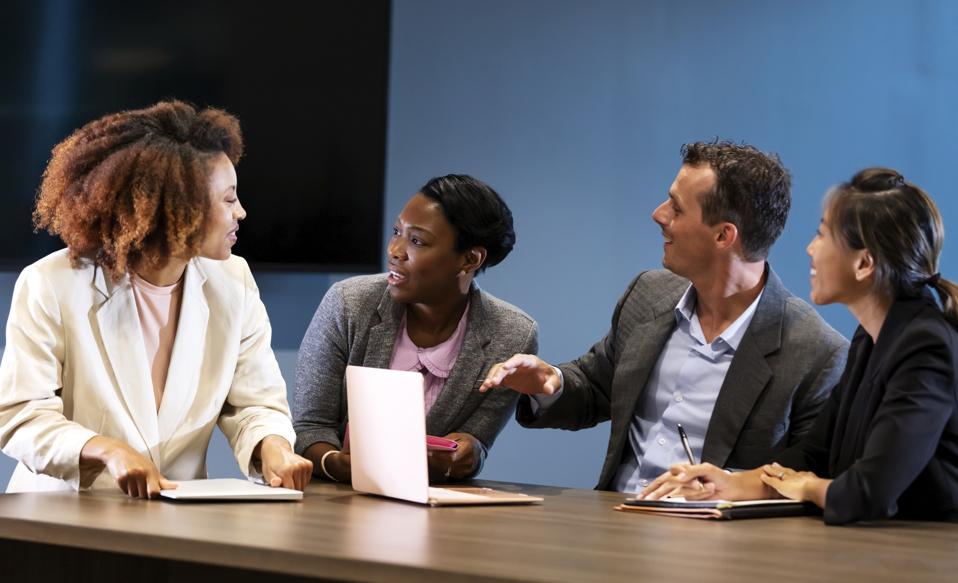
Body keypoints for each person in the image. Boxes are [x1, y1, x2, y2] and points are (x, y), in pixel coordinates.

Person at [480, 140, 848, 492]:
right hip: (616, 522)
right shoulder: (649, 294)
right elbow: (596, 386)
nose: (658, 215)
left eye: (676, 207)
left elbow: (804, 481)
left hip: (721, 544)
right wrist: (550, 382)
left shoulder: (816, 354)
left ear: (724, 236)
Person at [0, 101, 312, 497]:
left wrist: (274, 447)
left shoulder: (234, 282)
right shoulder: (51, 283)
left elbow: (253, 404)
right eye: (229, 199)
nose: (242, 212)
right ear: (177, 208)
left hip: (172, 525)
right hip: (64, 519)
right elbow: (21, 416)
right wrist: (105, 451)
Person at [640, 168, 958, 524]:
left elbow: (868, 492)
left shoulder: (925, 345)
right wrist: (728, 483)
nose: (810, 249)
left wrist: (807, 488)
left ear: (864, 263)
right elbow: (813, 455)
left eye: (822, 235)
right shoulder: (871, 338)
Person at [294, 174, 537, 483]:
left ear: (470, 259)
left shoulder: (512, 334)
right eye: (397, 231)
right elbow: (309, 428)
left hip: (435, 514)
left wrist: (470, 452)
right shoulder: (349, 304)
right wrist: (336, 463)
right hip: (334, 503)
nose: (395, 250)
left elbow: (476, 443)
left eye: (417, 241)